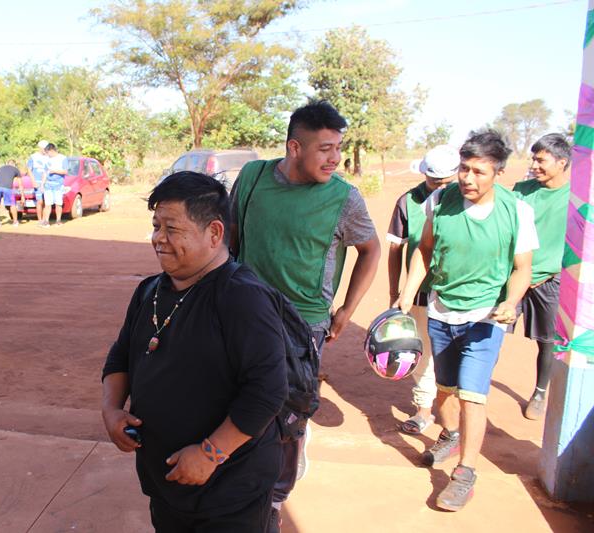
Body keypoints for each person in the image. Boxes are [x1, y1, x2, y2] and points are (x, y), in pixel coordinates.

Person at [102, 172, 287, 532]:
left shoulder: (241, 296)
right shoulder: (149, 291)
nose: (158, 238)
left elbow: (267, 390)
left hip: (228, 491)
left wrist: (210, 453)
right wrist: (111, 410)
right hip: (167, 483)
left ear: (215, 233)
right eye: (156, 225)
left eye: (172, 228)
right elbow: (121, 355)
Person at [229, 100, 380, 532]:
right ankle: (244, 472)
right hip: (247, 310)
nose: (335, 159)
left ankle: (276, 495)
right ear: (294, 148)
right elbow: (234, 238)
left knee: (288, 411)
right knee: (244, 397)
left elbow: (370, 250)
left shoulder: (344, 198)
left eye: (339, 149)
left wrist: (348, 310)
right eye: (325, 149)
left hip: (305, 322)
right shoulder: (253, 178)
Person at [398, 129, 539, 511]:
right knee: (445, 392)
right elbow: (424, 251)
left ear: (499, 173)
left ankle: (465, 474)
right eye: (464, 169)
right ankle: (451, 434)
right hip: (443, 311)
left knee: (472, 394)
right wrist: (409, 292)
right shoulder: (440, 200)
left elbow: (522, 268)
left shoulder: (517, 211)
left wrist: (511, 300)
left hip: (486, 317)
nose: (468, 179)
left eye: (479, 171)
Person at [386, 145, 459, 436]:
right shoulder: (407, 202)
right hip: (418, 293)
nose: (439, 189)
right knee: (423, 351)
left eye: (445, 184)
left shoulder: (464, 201)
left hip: (455, 294)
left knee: (452, 353)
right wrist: (396, 291)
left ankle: (453, 408)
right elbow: (395, 249)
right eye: (434, 182)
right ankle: (424, 410)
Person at [511, 133, 571, 420]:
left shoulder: (575, 198)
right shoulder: (520, 191)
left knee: (548, 340)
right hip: (514, 276)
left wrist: (552, 270)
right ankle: (477, 389)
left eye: (541, 159)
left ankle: (540, 392)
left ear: (562, 163)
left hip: (549, 279)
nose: (534, 164)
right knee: (492, 329)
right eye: (533, 158)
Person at [41, 143, 68, 227]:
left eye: (47, 152)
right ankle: (46, 221)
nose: (47, 154)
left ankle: (58, 221)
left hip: (58, 185)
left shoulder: (63, 158)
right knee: (47, 204)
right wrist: (42, 184)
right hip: (48, 185)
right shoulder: (46, 159)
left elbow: (65, 171)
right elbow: (45, 172)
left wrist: (55, 171)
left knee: (58, 203)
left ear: (51, 150)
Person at [0, 159, 24, 226]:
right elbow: (20, 184)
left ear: (7, 163)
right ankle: (15, 222)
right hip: (8, 188)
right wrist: (22, 196)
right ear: (14, 164)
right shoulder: (16, 169)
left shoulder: (1, 168)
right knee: (13, 204)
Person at [27, 140, 49, 224]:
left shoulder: (49, 157)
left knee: (46, 202)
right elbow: (29, 170)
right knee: (39, 201)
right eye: (44, 148)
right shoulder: (33, 157)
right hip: (37, 182)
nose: (45, 150)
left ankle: (45, 219)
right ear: (40, 148)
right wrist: (33, 181)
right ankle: (40, 220)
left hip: (47, 183)